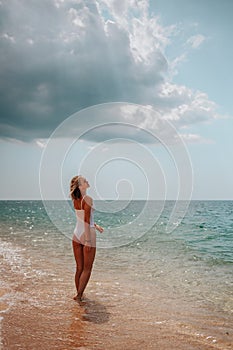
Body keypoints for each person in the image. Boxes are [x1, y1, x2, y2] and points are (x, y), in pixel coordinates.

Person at [70, 175, 104, 302]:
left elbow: (83, 218)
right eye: (85, 181)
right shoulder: (88, 199)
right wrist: (88, 240)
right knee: (87, 268)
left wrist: (96, 225)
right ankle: (79, 296)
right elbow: (86, 220)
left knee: (79, 267)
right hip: (87, 234)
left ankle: (79, 293)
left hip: (76, 234)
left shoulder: (76, 200)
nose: (87, 181)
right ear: (80, 186)